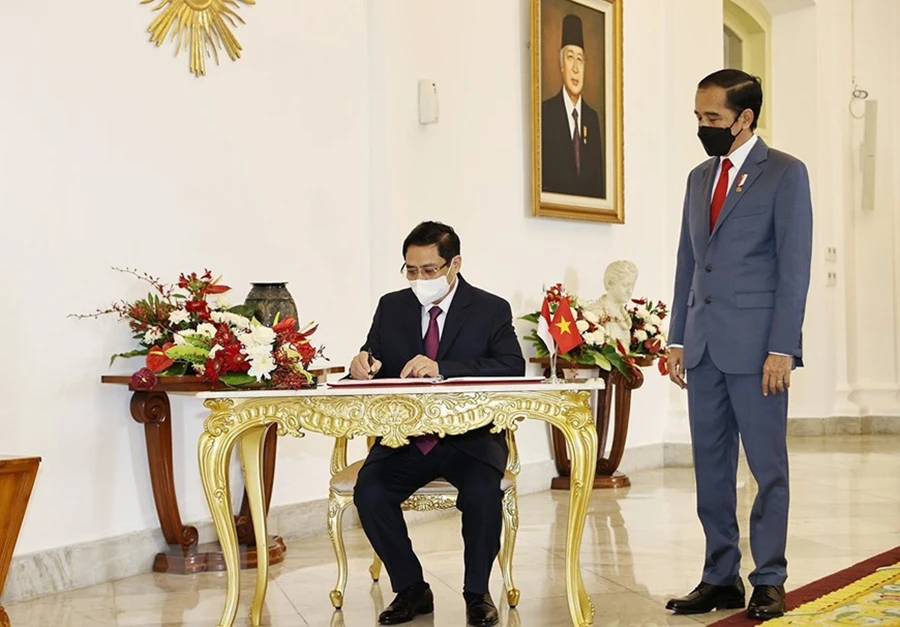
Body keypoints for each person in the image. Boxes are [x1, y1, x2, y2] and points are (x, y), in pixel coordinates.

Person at [665, 69, 813, 621]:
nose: (702, 126)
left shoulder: (785, 173)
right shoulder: (698, 177)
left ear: (745, 118)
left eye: (713, 118)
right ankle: (719, 576)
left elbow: (794, 268)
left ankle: (769, 579)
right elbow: (688, 260)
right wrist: (677, 336)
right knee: (711, 466)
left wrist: (783, 348)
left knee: (767, 468)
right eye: (698, 116)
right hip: (703, 346)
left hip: (758, 352)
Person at [350, 221, 525, 626]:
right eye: (411, 270)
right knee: (370, 492)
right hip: (406, 438)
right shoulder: (391, 306)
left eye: (429, 270)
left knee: (482, 494)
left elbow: (511, 365)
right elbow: (374, 358)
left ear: (454, 264)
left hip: (471, 438)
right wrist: (363, 364)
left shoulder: (490, 308)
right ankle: (412, 588)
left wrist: (443, 367)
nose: (420, 279)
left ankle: (477, 593)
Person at [541, 13, 605, 198]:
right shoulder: (546, 114)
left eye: (580, 60)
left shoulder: (592, 119)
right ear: (561, 65)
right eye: (570, 58)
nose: (576, 68)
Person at [585, 260, 638, 346]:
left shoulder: (625, 316)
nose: (630, 291)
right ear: (610, 283)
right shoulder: (594, 312)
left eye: (632, 285)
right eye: (625, 285)